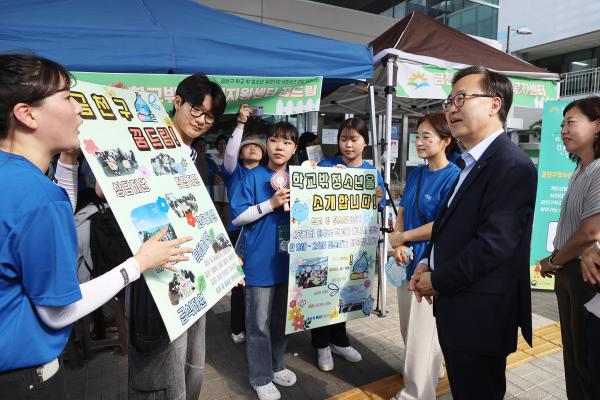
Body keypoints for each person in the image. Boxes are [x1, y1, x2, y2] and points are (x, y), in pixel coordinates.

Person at [0, 53, 192, 399]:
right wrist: (139, 264)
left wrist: (75, 152)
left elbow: (55, 206)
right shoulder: (37, 196)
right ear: (27, 113)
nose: (79, 109)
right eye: (68, 97)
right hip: (22, 380)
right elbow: (61, 311)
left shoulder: (15, 177)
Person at [409, 66, 537, 399]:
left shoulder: (511, 165)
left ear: (495, 105)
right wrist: (426, 262)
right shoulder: (468, 162)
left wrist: (437, 280)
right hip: (459, 307)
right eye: (450, 100)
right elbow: (449, 227)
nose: (451, 108)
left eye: (462, 98)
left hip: (481, 315)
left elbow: (493, 245)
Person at [127, 73, 226, 400]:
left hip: (191, 274)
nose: (201, 120)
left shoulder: (199, 157)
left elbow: (200, 216)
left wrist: (224, 254)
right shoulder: (142, 141)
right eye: (196, 109)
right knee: (157, 373)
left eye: (209, 115)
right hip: (152, 276)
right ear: (177, 102)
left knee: (191, 363)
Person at [388, 112, 460, 400]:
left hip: (430, 263)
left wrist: (404, 238)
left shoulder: (453, 177)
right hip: (405, 260)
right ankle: (431, 368)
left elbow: (443, 226)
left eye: (426, 137)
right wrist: (399, 244)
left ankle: (416, 394)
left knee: (421, 334)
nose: (418, 142)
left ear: (445, 141)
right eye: (417, 136)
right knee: (411, 328)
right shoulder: (417, 172)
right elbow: (402, 212)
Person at [230, 122, 298, 400]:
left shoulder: (301, 177)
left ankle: (277, 363)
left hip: (291, 262)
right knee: (257, 323)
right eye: (274, 140)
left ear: (295, 149)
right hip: (258, 262)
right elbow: (237, 216)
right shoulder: (252, 176)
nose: (279, 146)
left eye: (287, 142)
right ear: (266, 144)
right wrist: (270, 204)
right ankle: (260, 376)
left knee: (281, 320)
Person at [311, 117, 385, 372]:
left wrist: (376, 198)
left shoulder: (372, 173)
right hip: (324, 245)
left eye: (354, 139)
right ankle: (321, 344)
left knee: (345, 292)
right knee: (321, 295)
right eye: (344, 139)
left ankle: (339, 340)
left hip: (353, 249)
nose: (348, 145)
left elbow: (379, 208)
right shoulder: (326, 165)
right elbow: (310, 198)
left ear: (365, 142)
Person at [538, 96, 600, 399]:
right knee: (573, 356)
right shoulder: (580, 171)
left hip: (584, 276)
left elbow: (590, 231)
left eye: (571, 122)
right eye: (562, 124)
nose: (563, 129)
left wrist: (554, 261)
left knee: (587, 361)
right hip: (570, 270)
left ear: (598, 125)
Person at [222, 104, 266, 344]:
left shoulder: (273, 175)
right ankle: (237, 326)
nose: (252, 148)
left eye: (257, 147)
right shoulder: (233, 172)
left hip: (262, 235)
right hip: (237, 233)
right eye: (247, 146)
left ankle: (256, 326)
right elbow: (228, 155)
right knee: (238, 283)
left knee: (258, 282)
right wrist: (240, 123)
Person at [211, 133, 229, 225]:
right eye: (220, 144)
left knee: (226, 217)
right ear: (217, 145)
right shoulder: (212, 159)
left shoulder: (231, 159)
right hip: (216, 190)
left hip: (226, 190)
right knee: (216, 215)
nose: (222, 146)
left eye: (224, 143)